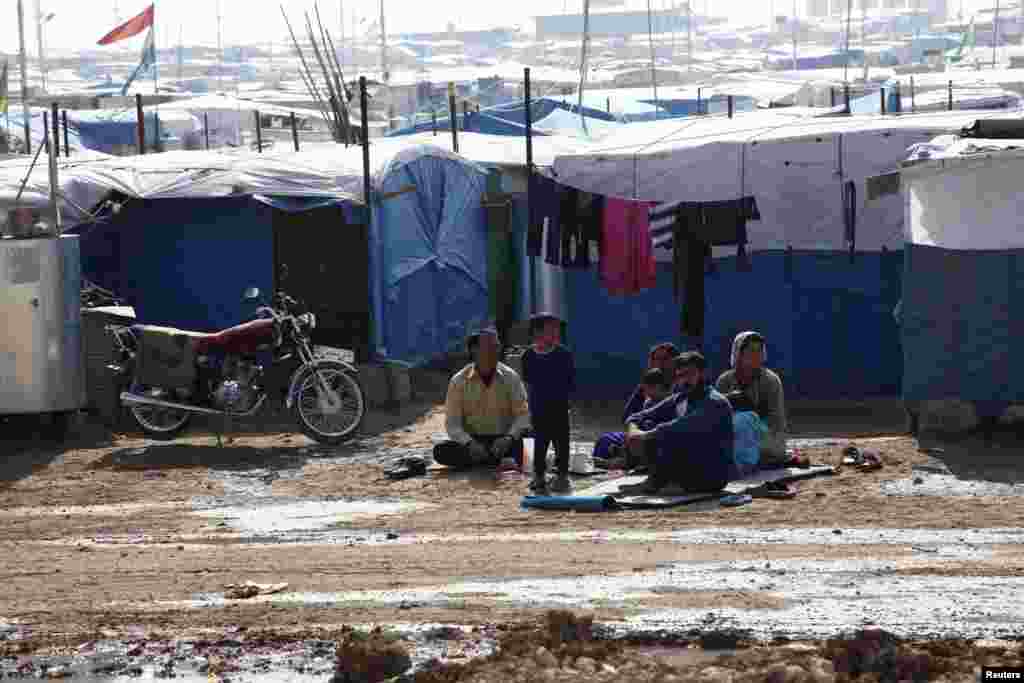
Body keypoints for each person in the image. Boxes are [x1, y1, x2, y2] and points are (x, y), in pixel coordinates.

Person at [620, 351, 734, 495]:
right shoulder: (680, 398)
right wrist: (634, 433)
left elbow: (679, 426)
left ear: (702, 374)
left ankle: (661, 483)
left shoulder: (715, 402)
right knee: (648, 425)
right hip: (688, 465)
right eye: (680, 376)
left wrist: (643, 436)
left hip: (712, 474)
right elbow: (638, 416)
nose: (685, 380)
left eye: (690, 374)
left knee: (666, 433)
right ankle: (660, 481)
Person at [433, 326, 531, 471]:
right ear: (474, 350)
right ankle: (494, 460)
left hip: (504, 440)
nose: (495, 351)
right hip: (474, 442)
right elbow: (452, 424)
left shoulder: (511, 377)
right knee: (440, 450)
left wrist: (508, 438)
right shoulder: (458, 381)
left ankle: (485, 460)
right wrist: (469, 443)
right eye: (489, 346)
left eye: (496, 346)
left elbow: (523, 415)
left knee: (530, 440)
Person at [592, 342, 679, 463]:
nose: (659, 363)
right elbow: (628, 415)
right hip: (638, 432)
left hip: (662, 435)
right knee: (605, 441)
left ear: (675, 362)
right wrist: (634, 430)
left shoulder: (681, 386)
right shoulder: (647, 384)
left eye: (664, 359)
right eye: (655, 359)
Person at [715, 331, 789, 467]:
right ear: (738, 353)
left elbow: (776, 422)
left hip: (766, 438)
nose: (756, 355)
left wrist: (751, 423)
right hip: (733, 435)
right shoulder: (725, 380)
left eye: (759, 351)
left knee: (744, 421)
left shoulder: (771, 381)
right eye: (750, 351)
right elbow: (717, 417)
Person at [521, 313, 576, 494]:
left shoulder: (564, 354)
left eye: (557, 329)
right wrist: (529, 407)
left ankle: (562, 476)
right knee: (540, 442)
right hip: (538, 407)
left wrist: (567, 403)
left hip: (559, 406)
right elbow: (528, 381)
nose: (555, 332)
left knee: (562, 442)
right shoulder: (528, 355)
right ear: (537, 332)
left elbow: (570, 381)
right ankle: (538, 476)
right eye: (550, 329)